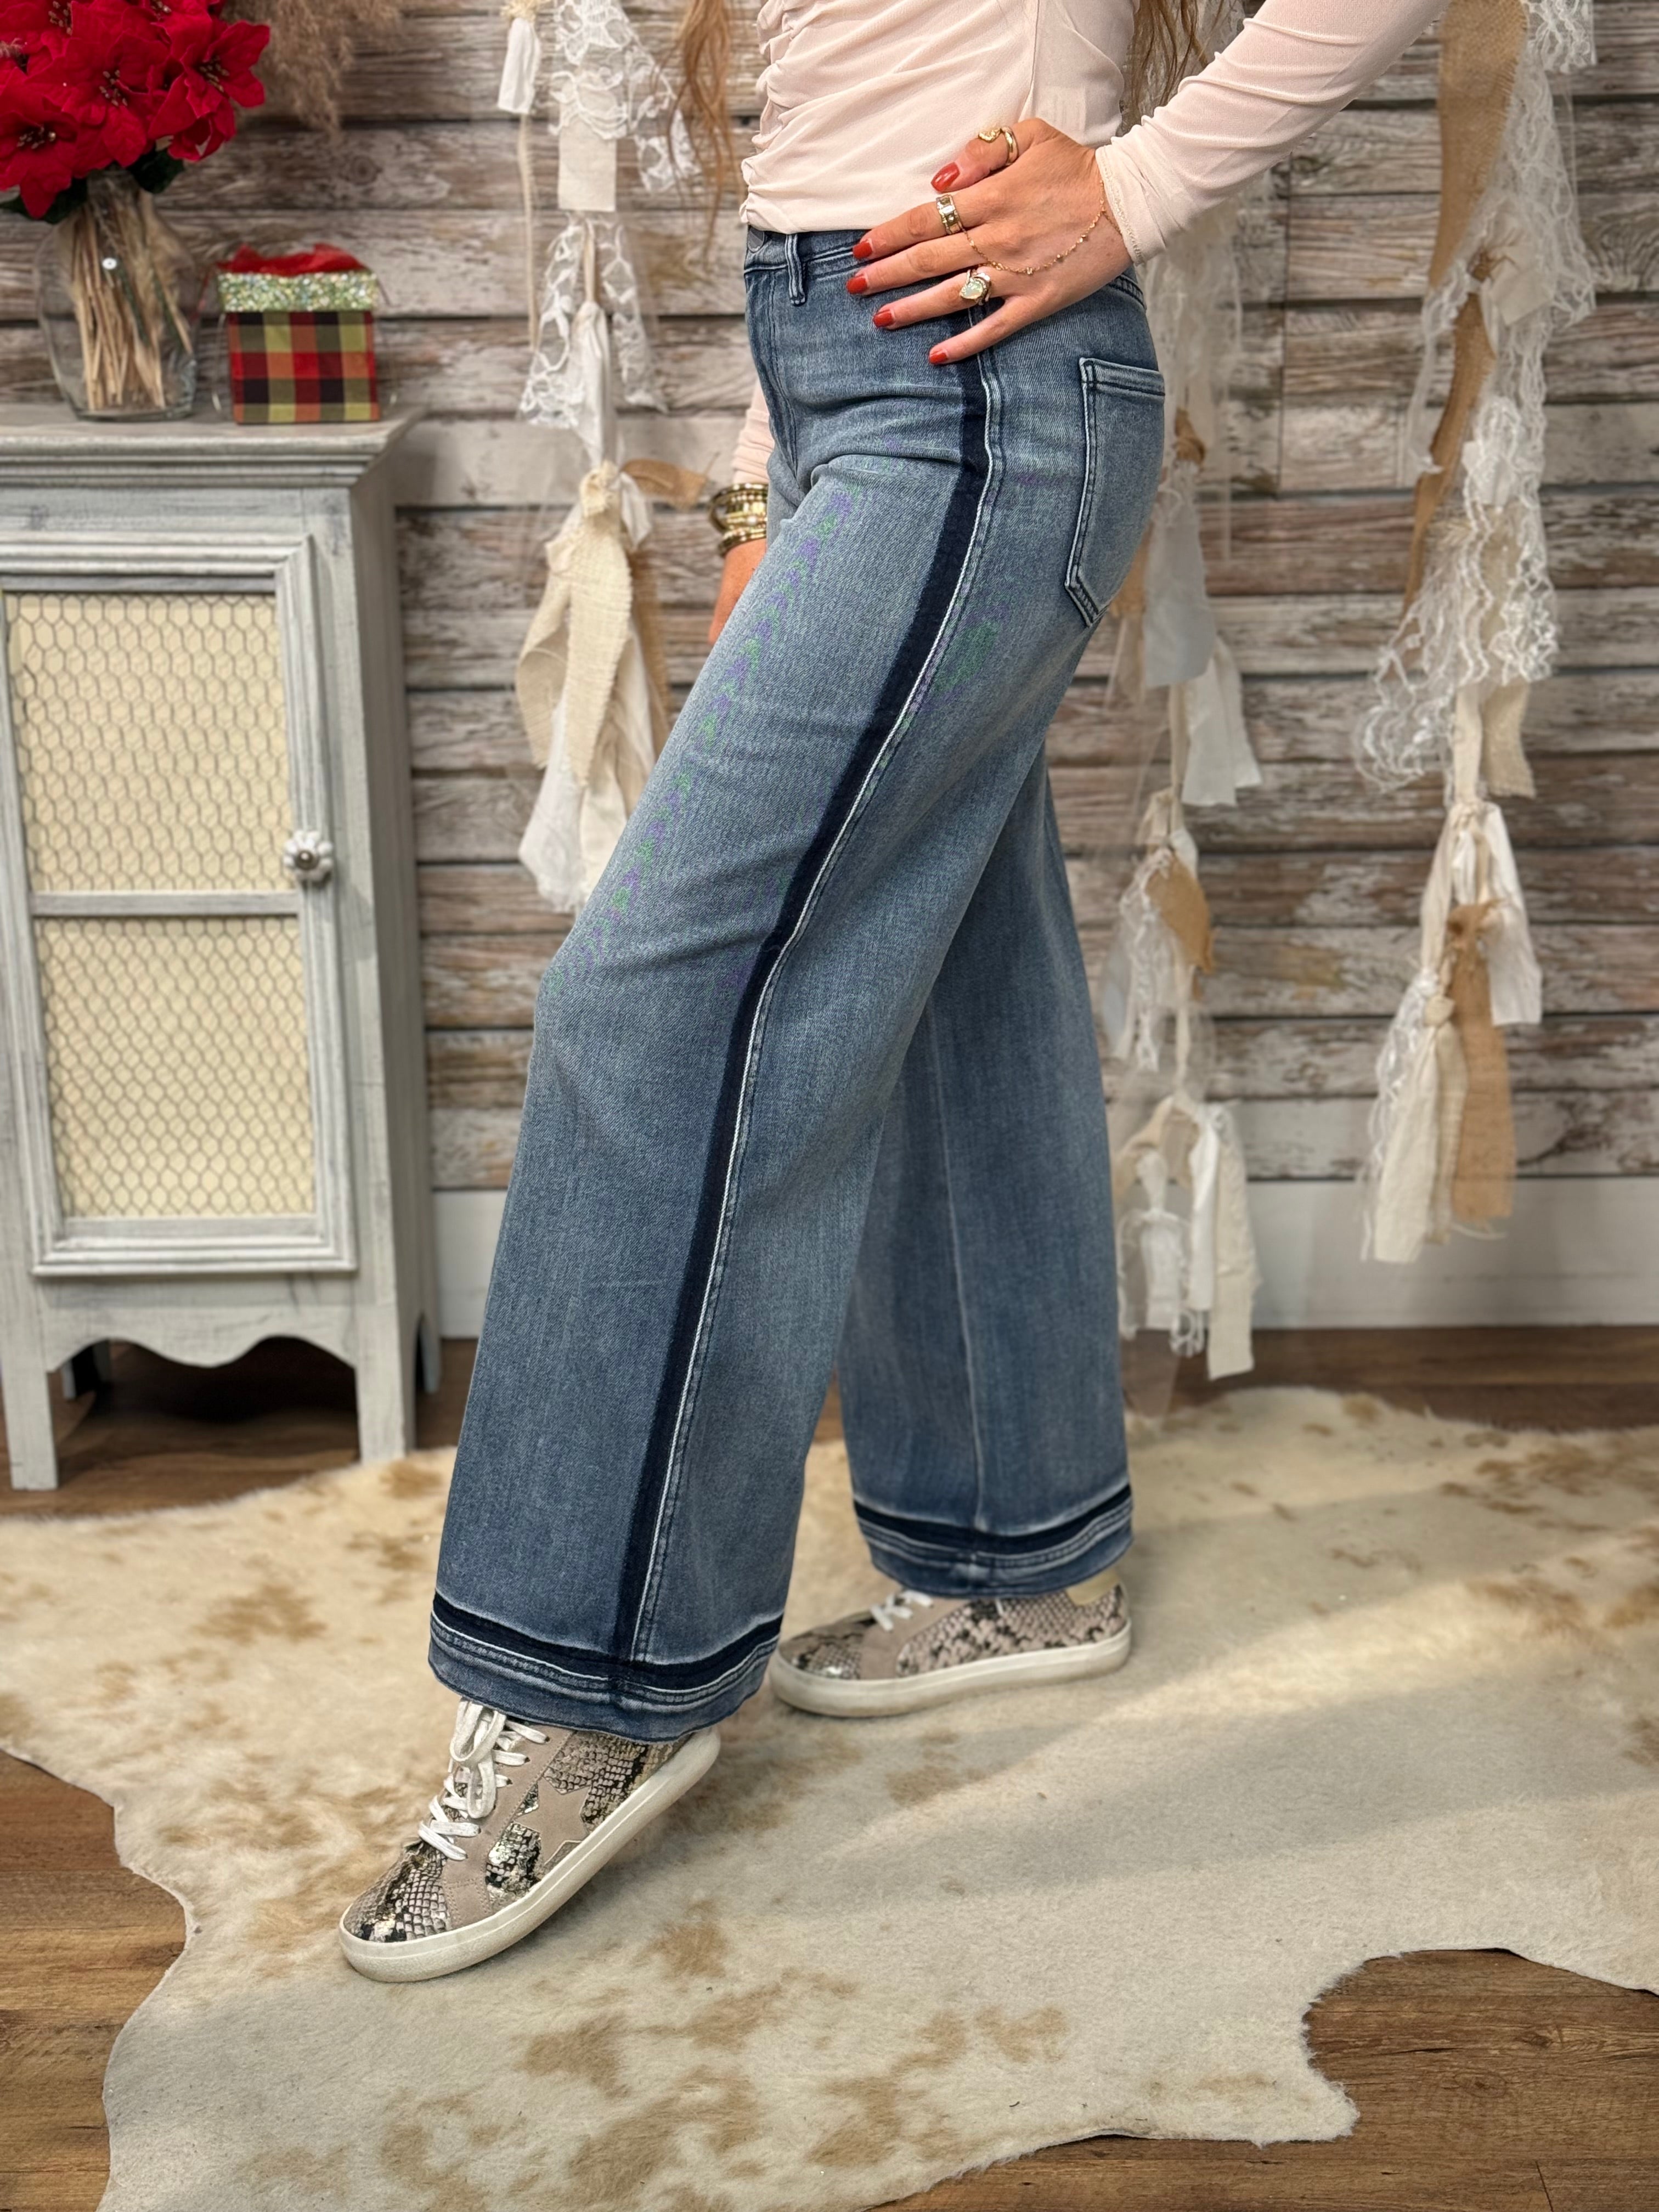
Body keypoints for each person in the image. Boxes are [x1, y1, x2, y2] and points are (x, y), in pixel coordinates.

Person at [339, 0, 1444, 1981]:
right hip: (855, 383)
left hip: (983, 404)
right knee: (939, 971)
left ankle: (596, 1684)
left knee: (647, 1004)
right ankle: (1022, 1557)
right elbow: (846, 104)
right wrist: (764, 487)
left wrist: (1137, 185)